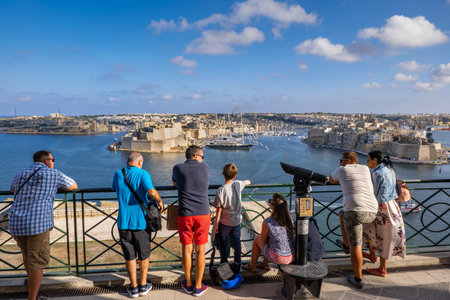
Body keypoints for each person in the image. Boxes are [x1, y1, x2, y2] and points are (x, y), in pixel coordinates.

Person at [9, 150, 78, 300]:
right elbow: (73, 186)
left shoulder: (20, 173)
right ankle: (32, 298)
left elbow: (12, 189)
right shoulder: (53, 174)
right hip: (37, 224)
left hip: (16, 223)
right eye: (53, 159)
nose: (53, 162)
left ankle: (33, 292)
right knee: (37, 261)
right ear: (47, 161)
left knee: (27, 258)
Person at [112, 152, 164, 298]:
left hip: (123, 222)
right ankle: (143, 285)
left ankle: (133, 288)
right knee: (144, 255)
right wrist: (159, 201)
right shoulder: (143, 173)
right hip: (141, 223)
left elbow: (115, 188)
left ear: (128, 162)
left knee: (129, 256)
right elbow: (151, 191)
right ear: (139, 162)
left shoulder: (117, 173)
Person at [328, 151, 378, 289]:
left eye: (341, 160)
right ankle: (345, 245)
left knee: (355, 245)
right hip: (372, 211)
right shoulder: (365, 168)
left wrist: (340, 177)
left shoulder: (342, 169)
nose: (340, 163)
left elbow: (331, 179)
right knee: (341, 214)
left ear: (348, 161)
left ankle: (358, 278)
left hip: (355, 211)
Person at [172, 145, 210, 297]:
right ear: (196, 156)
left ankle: (188, 284)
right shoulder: (205, 168)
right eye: (202, 156)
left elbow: (175, 183)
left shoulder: (177, 168)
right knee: (200, 250)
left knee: (187, 249)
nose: (202, 159)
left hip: (185, 213)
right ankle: (199, 286)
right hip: (203, 213)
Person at [362, 151, 406, 277]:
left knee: (380, 234)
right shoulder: (390, 170)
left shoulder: (377, 173)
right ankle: (372, 256)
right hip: (392, 205)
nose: (367, 162)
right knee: (380, 233)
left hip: (381, 207)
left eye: (368, 159)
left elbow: (374, 194)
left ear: (375, 160)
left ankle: (382, 269)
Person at [242, 193, 295, 272]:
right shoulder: (289, 218)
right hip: (292, 256)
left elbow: (263, 240)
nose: (269, 202)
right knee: (269, 240)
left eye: (270, 200)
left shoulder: (268, 222)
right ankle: (265, 264)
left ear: (273, 206)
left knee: (257, 239)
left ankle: (252, 266)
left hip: (279, 258)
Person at [213, 163, 251, 273]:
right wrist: (247, 182)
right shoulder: (238, 184)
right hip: (236, 221)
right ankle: (237, 263)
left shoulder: (221, 190)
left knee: (223, 243)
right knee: (237, 242)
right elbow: (247, 182)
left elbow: (218, 209)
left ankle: (224, 262)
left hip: (225, 222)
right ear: (235, 175)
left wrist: (216, 226)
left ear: (222, 174)